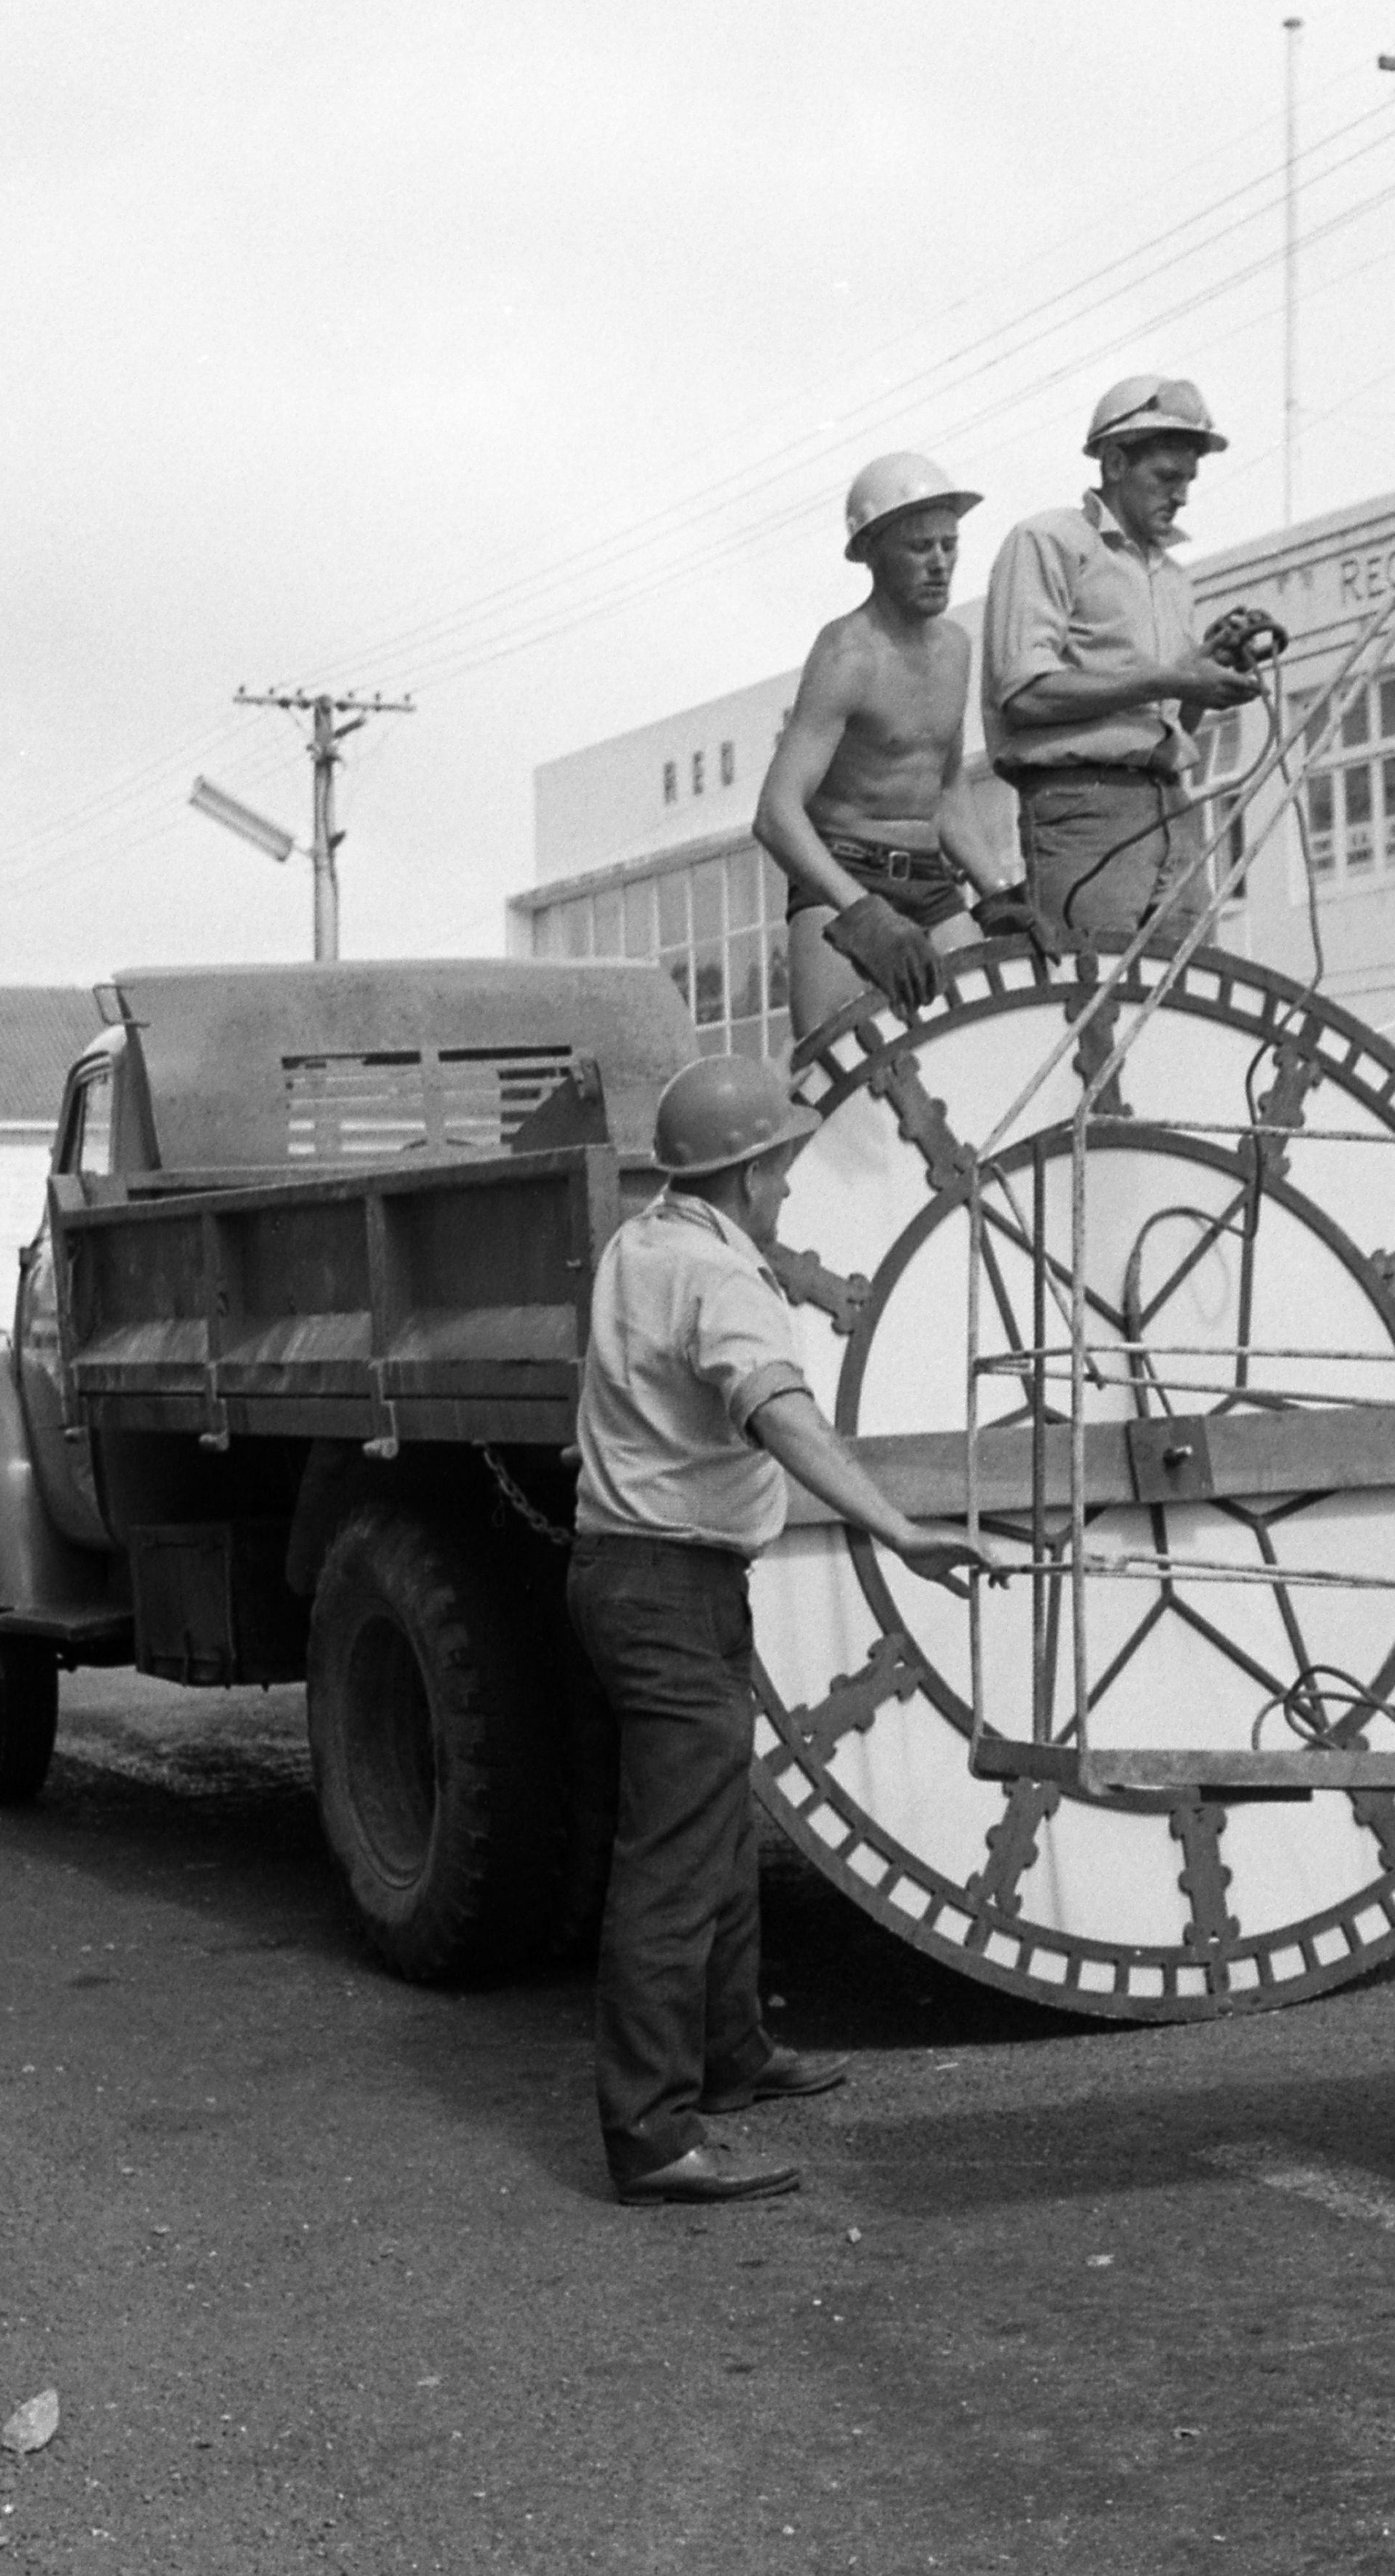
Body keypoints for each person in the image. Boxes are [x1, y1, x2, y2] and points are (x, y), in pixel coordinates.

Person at [572, 1054, 1001, 2206]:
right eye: (786, 1160)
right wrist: (897, 1531)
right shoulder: (724, 1282)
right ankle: (652, 2136)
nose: (790, 1177)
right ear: (757, 1169)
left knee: (711, 1831)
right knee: (670, 1860)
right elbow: (780, 1416)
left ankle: (730, 2056)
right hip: (668, 1584)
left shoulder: (639, 1245)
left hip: (639, 1575)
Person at [756, 454, 1038, 1039]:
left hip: (931, 883)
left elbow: (946, 785)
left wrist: (996, 891)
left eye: (948, 545)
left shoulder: (956, 648)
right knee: (835, 1066)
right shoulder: (847, 654)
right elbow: (776, 813)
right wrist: (861, 915)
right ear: (874, 553)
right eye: (918, 549)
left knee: (983, 1038)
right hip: (843, 875)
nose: (940, 564)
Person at [982, 374, 1264, 956]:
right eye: (1166, 477)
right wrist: (1174, 676)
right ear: (1114, 462)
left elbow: (1172, 727)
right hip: (1082, 808)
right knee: (1093, 1003)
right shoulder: (1049, 542)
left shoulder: (1171, 577)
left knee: (1184, 1001)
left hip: (1171, 808)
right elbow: (1026, 695)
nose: (1181, 495)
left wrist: (1205, 677)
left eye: (1188, 480)